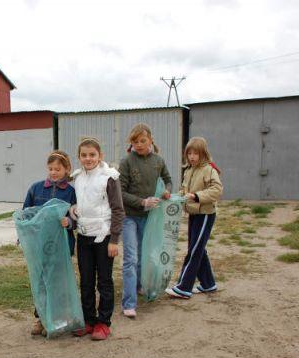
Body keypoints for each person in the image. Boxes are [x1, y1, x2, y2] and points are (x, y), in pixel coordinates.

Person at [70, 137, 124, 340]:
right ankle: (88, 320)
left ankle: (103, 322)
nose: (88, 158)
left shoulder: (109, 177)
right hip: (84, 237)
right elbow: (80, 205)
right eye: (84, 155)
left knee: (104, 281)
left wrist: (114, 240)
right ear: (79, 157)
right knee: (86, 281)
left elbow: (118, 210)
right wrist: (74, 213)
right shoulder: (78, 178)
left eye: (92, 155)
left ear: (100, 156)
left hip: (104, 238)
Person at [119, 123, 172, 318]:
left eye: (143, 140)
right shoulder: (126, 162)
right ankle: (129, 303)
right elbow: (120, 192)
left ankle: (140, 286)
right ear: (131, 142)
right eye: (135, 141)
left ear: (150, 140)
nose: (139, 144)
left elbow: (168, 179)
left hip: (150, 217)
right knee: (131, 259)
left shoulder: (158, 160)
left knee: (146, 256)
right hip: (129, 217)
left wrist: (166, 190)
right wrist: (142, 202)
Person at [23, 150, 77, 336]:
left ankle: (56, 318)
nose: (54, 172)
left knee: (58, 282)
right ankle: (40, 319)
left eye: (58, 169)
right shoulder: (35, 189)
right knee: (41, 282)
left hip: (61, 246)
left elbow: (76, 218)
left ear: (66, 169)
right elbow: (26, 216)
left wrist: (68, 223)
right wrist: (24, 238)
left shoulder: (71, 192)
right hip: (39, 245)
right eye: (51, 168)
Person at [166, 137, 223, 299]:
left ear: (203, 154)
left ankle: (184, 287)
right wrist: (176, 197)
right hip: (193, 214)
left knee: (194, 250)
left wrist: (197, 196)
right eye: (189, 153)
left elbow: (217, 190)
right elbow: (185, 192)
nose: (192, 156)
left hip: (205, 214)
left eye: (195, 153)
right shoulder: (189, 170)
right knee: (198, 248)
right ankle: (208, 284)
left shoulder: (209, 170)